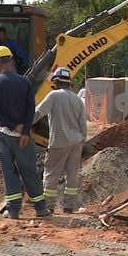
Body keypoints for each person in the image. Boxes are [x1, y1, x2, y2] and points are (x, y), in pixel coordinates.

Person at [0, 45, 49, 219]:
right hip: (24, 136)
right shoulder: (25, 82)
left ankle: (13, 210)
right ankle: (41, 208)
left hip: (5, 134)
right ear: (11, 60)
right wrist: (25, 130)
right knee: (29, 170)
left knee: (8, 171)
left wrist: (13, 126)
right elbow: (31, 108)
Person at [33, 67, 87, 214]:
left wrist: (23, 124)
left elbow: (39, 112)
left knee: (51, 173)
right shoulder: (78, 100)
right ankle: (69, 207)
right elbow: (83, 125)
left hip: (59, 141)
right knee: (72, 175)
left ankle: (48, 206)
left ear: (55, 82)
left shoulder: (53, 96)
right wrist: (82, 139)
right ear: (69, 83)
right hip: (76, 141)